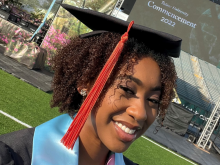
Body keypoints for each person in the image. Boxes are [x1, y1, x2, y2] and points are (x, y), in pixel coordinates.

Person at [0, 4, 181, 165]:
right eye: (126, 89)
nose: (140, 113)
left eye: (153, 100)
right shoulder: (15, 156)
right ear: (85, 82)